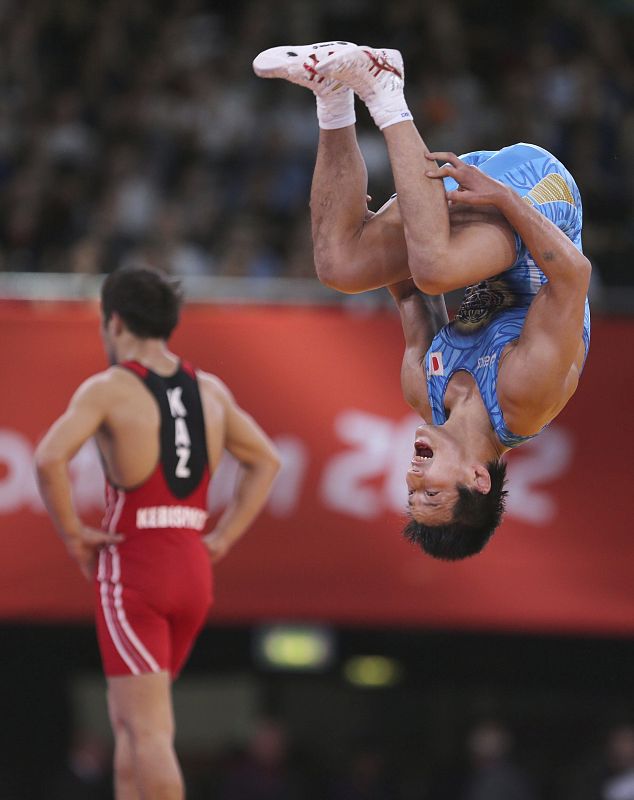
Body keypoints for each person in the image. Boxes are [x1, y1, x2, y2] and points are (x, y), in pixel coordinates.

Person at [253, 43, 591, 559]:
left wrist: (372, 234)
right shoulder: (526, 399)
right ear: (478, 478)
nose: (413, 478)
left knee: (341, 267)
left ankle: (333, 93)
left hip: (465, 220)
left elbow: (406, 283)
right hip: (542, 204)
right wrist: (504, 199)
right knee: (437, 270)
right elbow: (572, 274)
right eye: (430, 492)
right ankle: (386, 85)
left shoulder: (421, 387)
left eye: (410, 494)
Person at [35, 266, 281, 800]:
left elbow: (49, 458)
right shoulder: (210, 390)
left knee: (149, 731)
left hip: (136, 568)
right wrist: (224, 537)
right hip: (192, 567)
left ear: (114, 322)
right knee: (129, 721)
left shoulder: (109, 389)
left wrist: (74, 535)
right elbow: (266, 460)